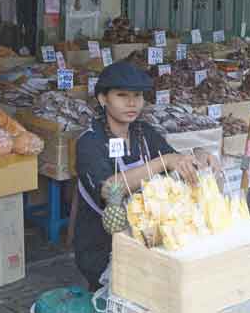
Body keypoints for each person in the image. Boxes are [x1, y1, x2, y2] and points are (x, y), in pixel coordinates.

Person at [74, 61, 219, 291]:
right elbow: (109, 187)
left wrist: (199, 156)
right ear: (103, 99)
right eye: (122, 95)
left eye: (138, 96)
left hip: (147, 237)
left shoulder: (143, 133)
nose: (132, 103)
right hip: (102, 247)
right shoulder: (90, 142)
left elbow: (173, 159)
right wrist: (161, 162)